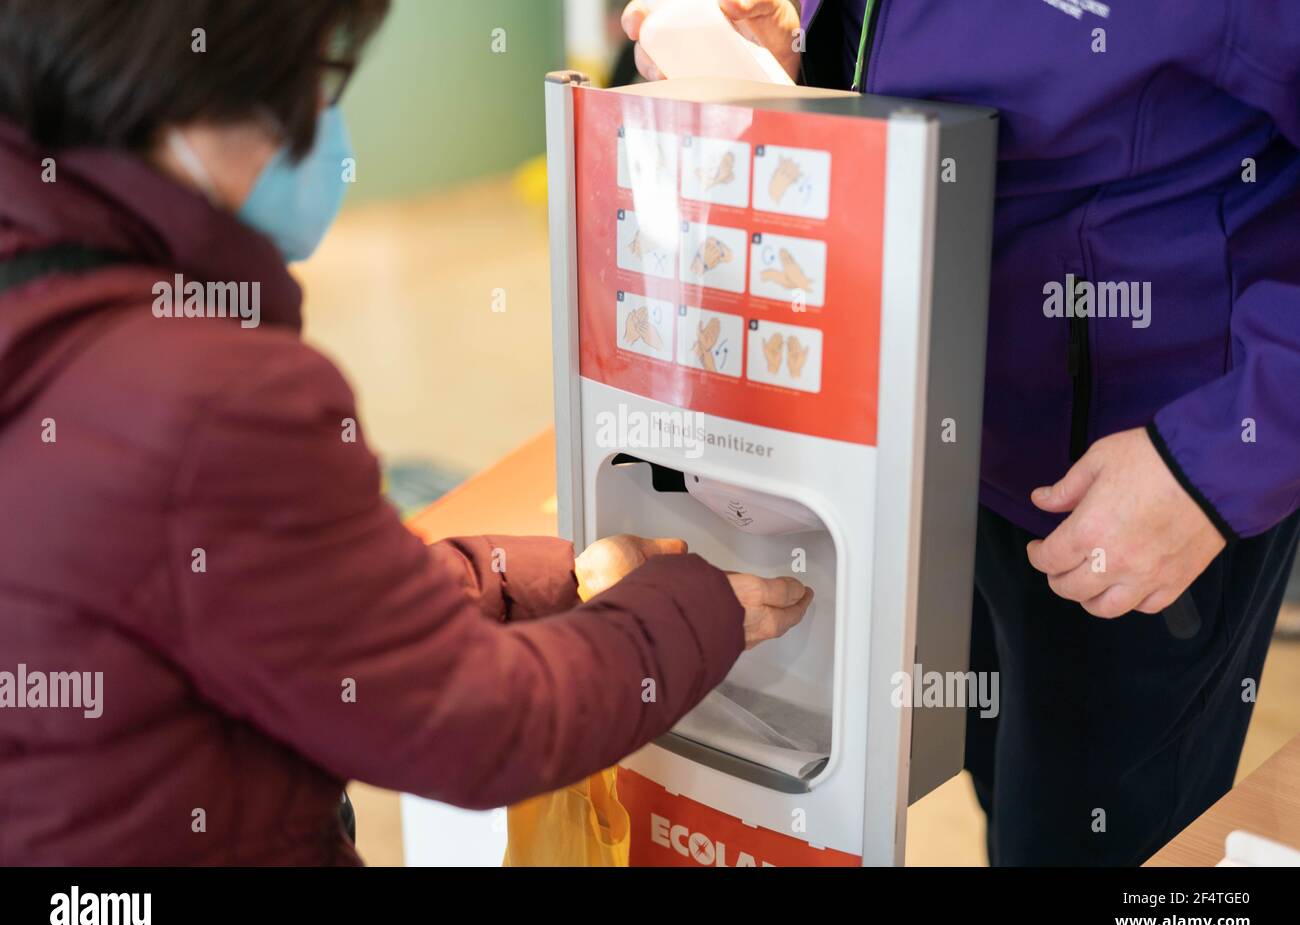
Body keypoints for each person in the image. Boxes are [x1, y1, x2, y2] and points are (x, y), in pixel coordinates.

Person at [0, 0, 813, 865]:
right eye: (314, 82)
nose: (326, 126)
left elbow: (258, 599)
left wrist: (541, 581)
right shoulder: (214, 400)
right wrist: (696, 607)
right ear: (197, 96)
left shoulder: (48, 299)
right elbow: (481, 728)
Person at [624, 0, 1300, 865]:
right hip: (949, 430)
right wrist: (797, 33)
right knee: (1000, 776)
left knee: (1104, 838)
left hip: (1141, 479)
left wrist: (1221, 457)